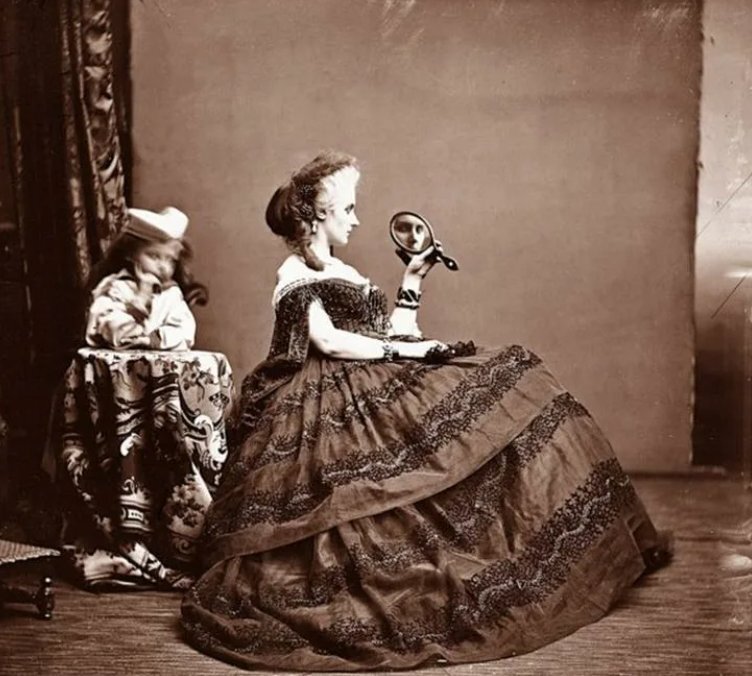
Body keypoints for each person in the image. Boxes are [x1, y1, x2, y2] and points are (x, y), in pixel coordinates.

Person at [181, 151, 670, 671]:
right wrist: (406, 352)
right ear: (319, 215)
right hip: (327, 397)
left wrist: (413, 279)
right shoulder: (294, 273)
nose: (356, 220)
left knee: (516, 378)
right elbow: (329, 341)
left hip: (373, 374)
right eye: (348, 210)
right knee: (356, 502)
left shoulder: (342, 270)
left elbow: (394, 332)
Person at [84, 206, 207, 351]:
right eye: (154, 256)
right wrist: (139, 302)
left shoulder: (170, 294)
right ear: (130, 254)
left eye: (170, 259)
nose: (163, 266)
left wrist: (154, 339)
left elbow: (185, 333)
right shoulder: (115, 288)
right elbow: (113, 331)